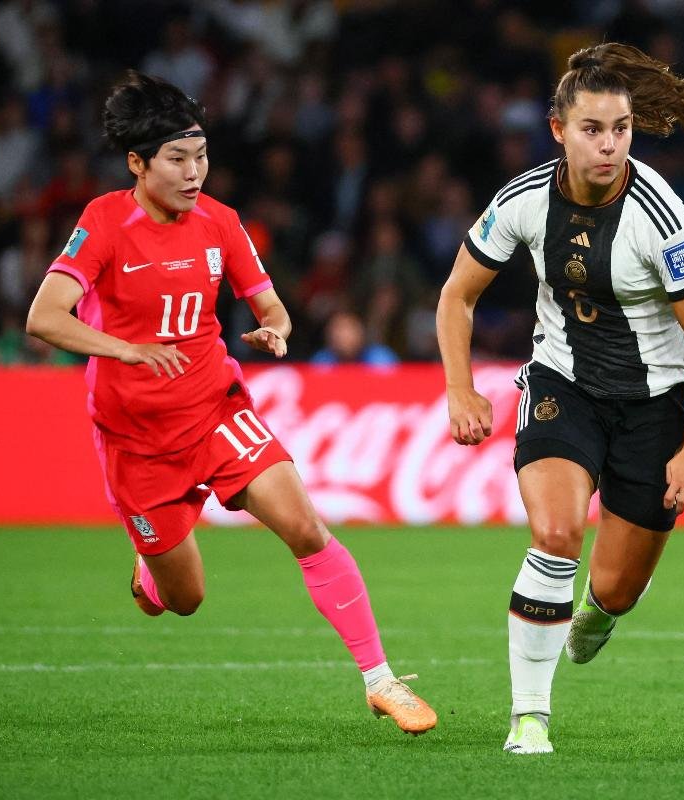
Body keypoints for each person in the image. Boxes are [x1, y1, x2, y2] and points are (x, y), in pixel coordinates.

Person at [24, 72, 436, 735]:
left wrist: (275, 326)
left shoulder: (220, 222)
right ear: (138, 163)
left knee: (305, 526)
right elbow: (43, 317)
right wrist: (122, 349)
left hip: (215, 408)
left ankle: (381, 680)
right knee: (183, 601)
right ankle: (151, 572)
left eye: (202, 156)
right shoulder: (104, 221)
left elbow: (268, 302)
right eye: (177, 160)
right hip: (137, 439)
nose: (195, 173)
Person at [436, 43, 684, 754]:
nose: (610, 143)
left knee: (616, 590)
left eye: (621, 128)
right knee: (557, 534)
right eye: (594, 129)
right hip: (563, 384)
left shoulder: (661, 217)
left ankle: (596, 615)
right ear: (558, 129)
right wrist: (459, 387)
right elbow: (456, 296)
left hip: (656, 403)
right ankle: (529, 717)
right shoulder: (523, 200)